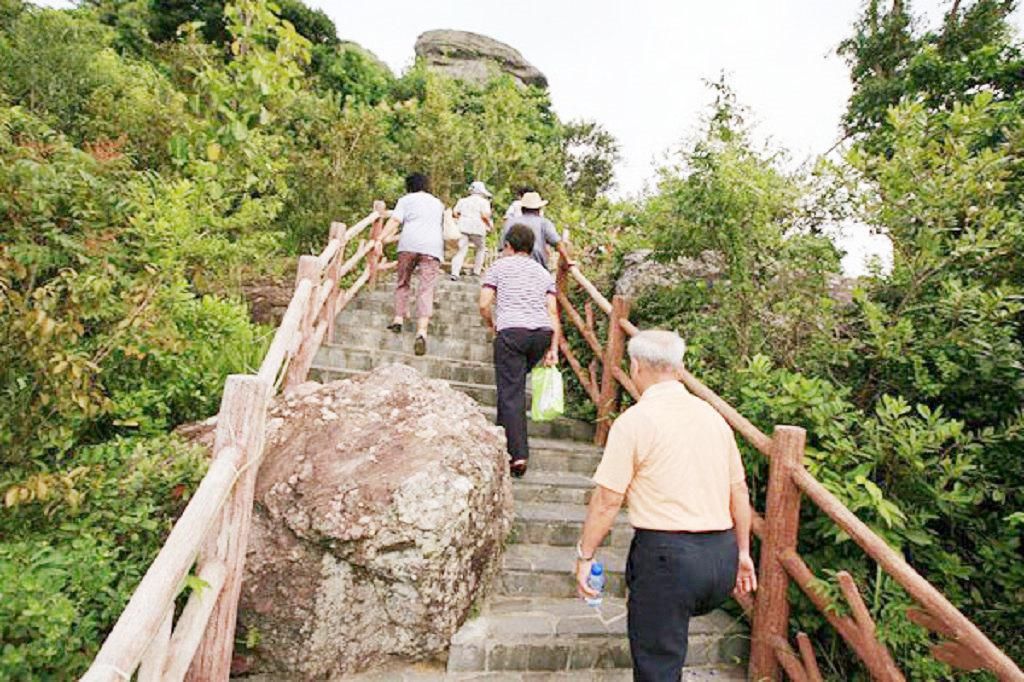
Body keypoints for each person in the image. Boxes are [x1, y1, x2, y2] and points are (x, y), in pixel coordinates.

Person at [573, 330, 757, 682]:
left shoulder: (636, 421)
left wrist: (586, 556)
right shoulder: (714, 418)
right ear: (679, 367)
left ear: (636, 366)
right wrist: (744, 552)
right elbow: (739, 492)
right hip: (721, 559)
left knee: (657, 666)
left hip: (669, 562)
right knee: (669, 641)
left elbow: (607, 500)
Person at [479, 223, 562, 478]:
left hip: (513, 332)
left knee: (511, 392)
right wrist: (553, 348)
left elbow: (483, 304)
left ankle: (518, 455)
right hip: (541, 334)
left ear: (508, 246)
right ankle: (503, 441)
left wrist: (492, 325)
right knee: (511, 388)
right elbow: (552, 312)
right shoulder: (543, 273)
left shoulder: (499, 267)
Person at [379, 173, 444, 356]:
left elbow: (395, 221)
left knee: (403, 282)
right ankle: (422, 331)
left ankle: (399, 318)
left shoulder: (406, 200)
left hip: (408, 244)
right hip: (432, 247)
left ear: (409, 185)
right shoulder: (438, 203)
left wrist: (380, 239)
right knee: (426, 289)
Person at [499, 191, 572, 270]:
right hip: (537, 267)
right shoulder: (544, 223)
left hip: (510, 268)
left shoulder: (510, 222)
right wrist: (567, 259)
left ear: (522, 209)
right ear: (539, 209)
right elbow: (558, 243)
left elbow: (502, 247)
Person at [450, 180, 493, 281]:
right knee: (480, 248)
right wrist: (489, 225)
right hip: (478, 228)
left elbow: (455, 213)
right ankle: (476, 271)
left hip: (462, 227)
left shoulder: (463, 201)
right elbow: (484, 216)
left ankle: (455, 273)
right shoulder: (484, 202)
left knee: (460, 250)